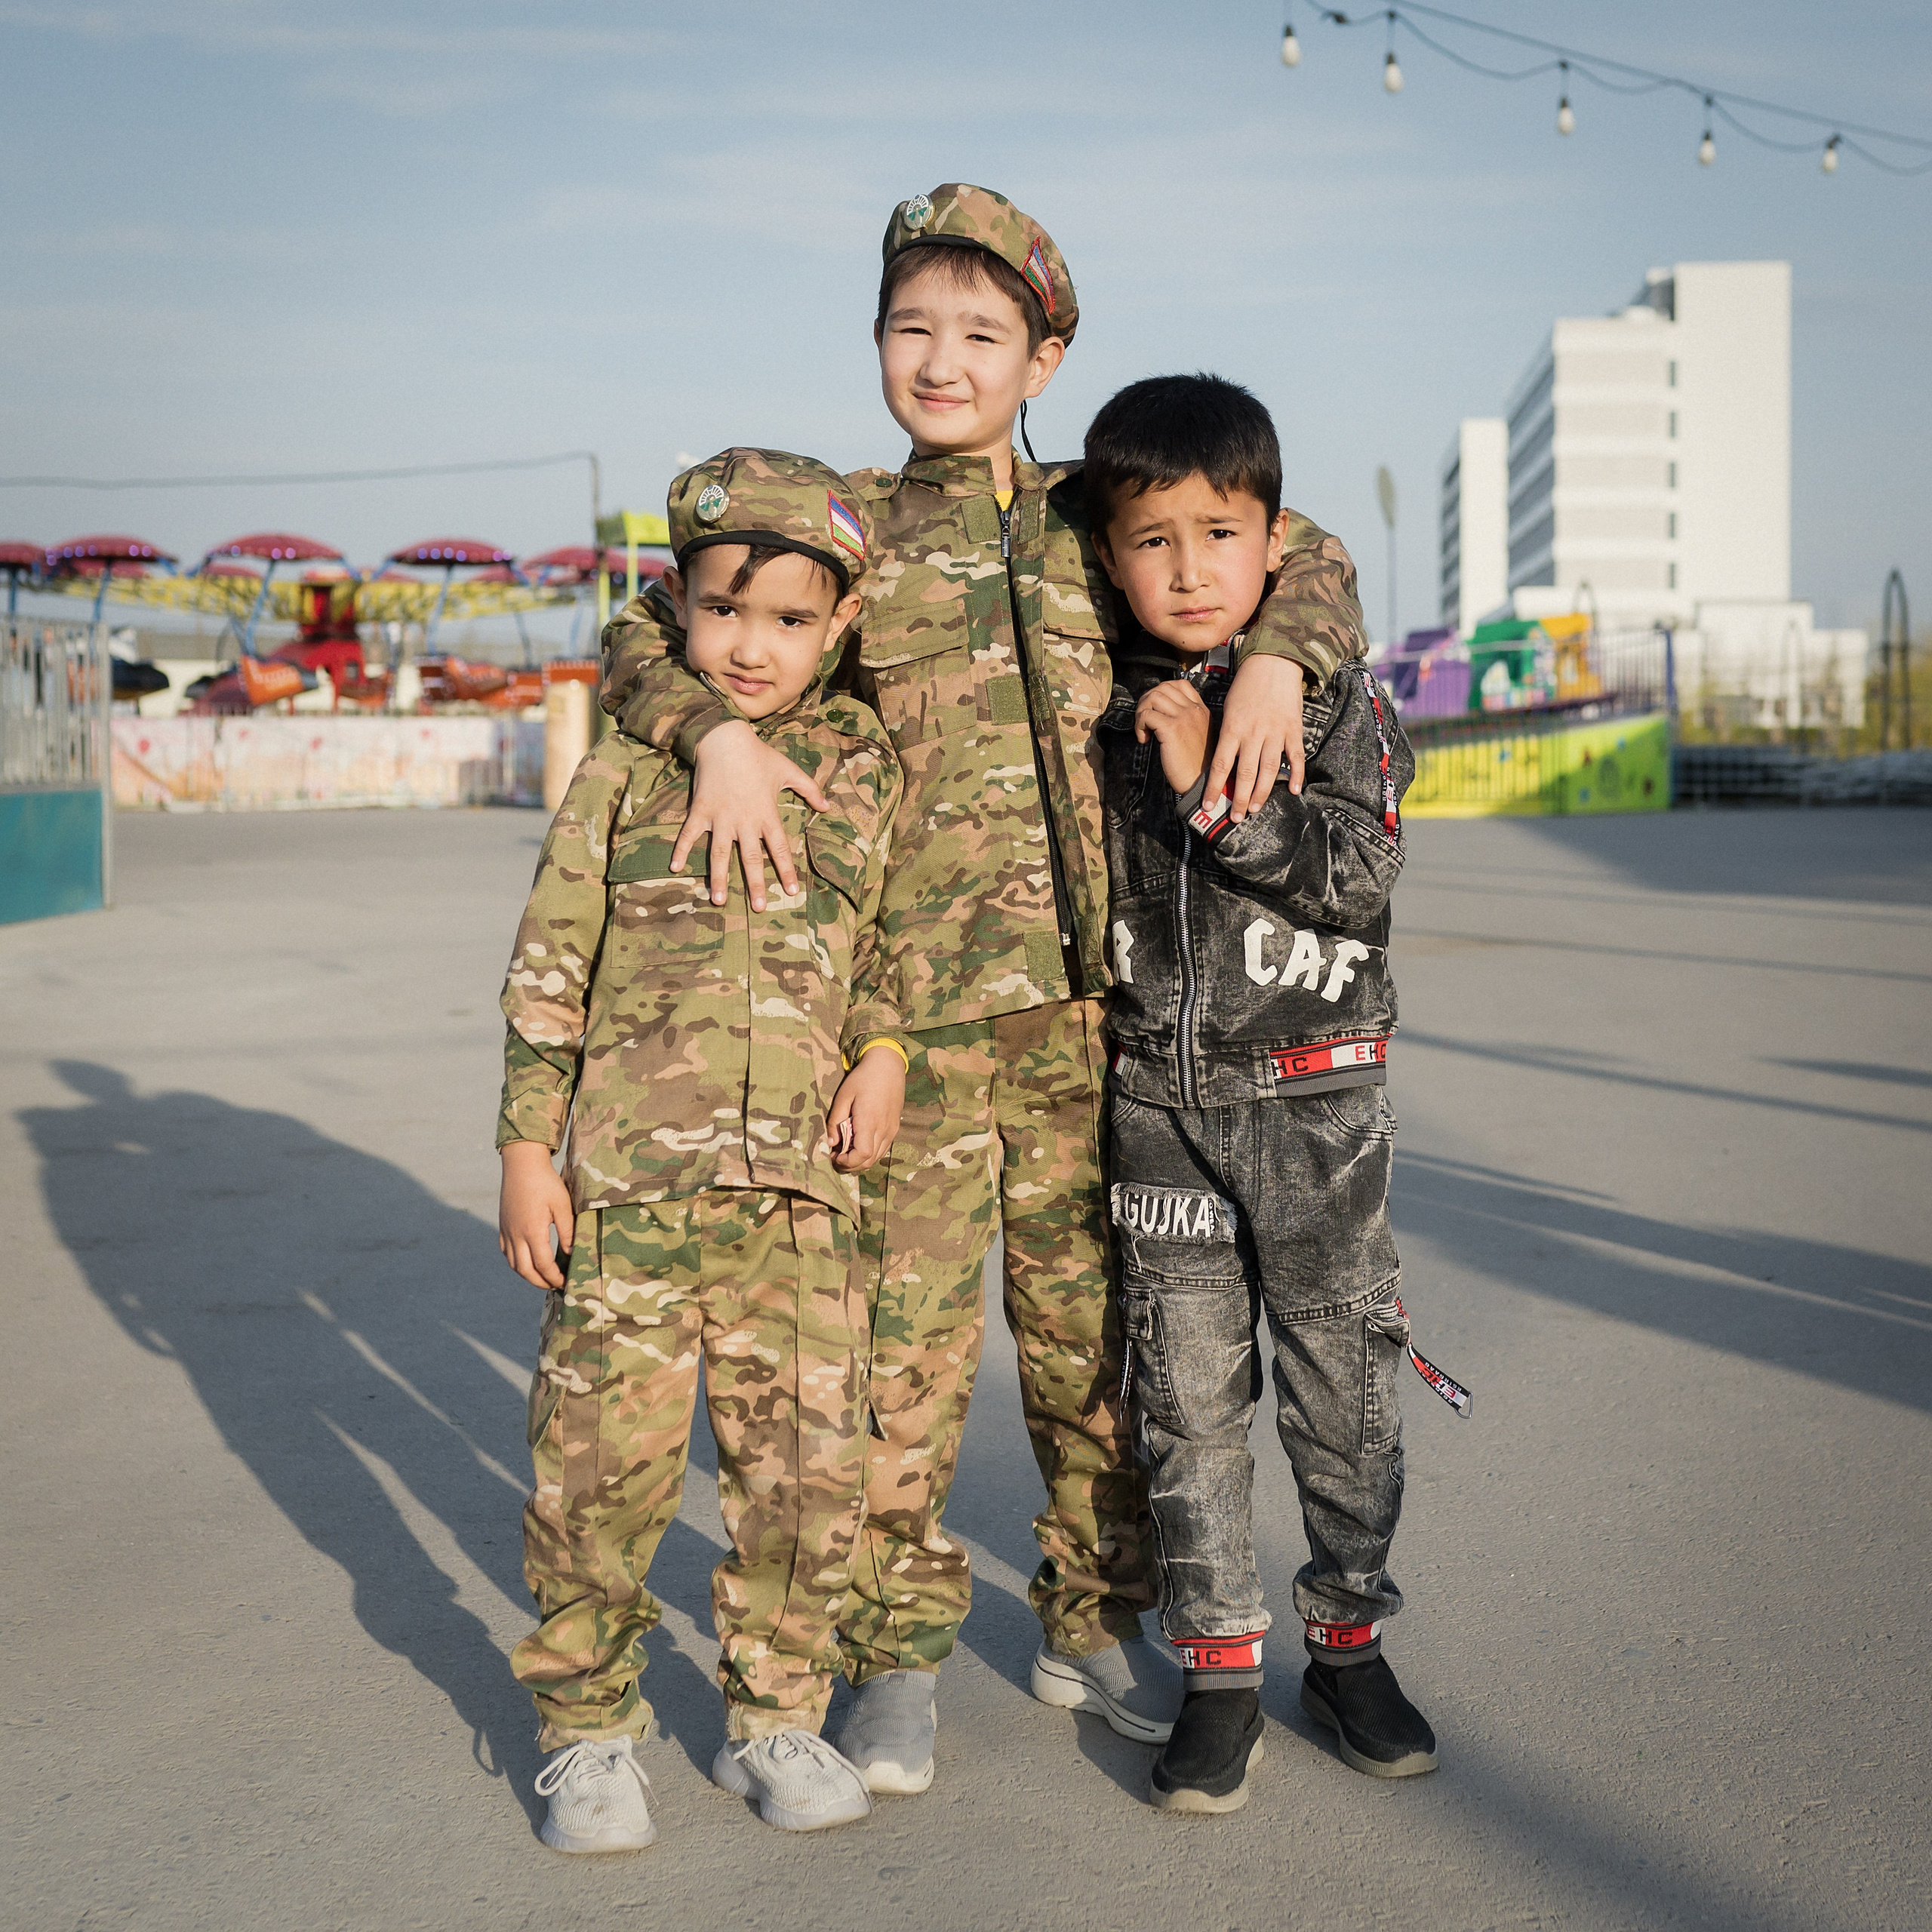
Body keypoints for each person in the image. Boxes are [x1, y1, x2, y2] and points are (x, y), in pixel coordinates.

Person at [596, 186, 1371, 1795]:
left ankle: (1095, 1612)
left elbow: (1300, 546)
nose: (939, 360)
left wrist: (1283, 659)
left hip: (1111, 1014)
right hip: (913, 1022)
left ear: (1046, 353)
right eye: (909, 328)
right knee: (906, 1351)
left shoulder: (1112, 510)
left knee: (1105, 1344)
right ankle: (891, 1647)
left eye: (979, 332)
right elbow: (644, 623)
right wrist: (716, 730)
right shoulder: (856, 526)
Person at [495, 449, 909, 1851]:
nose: (751, 646)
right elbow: (550, 975)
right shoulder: (624, 770)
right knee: (599, 1473)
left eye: (790, 621)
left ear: (838, 628)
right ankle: (587, 1731)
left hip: (799, 1202)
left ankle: (777, 1715)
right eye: (725, 609)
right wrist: (525, 1153)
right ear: (676, 605)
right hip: (629, 1197)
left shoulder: (860, 779)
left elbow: (885, 955)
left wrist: (891, 1053)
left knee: (802, 1476)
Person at [1085, 372, 1468, 1814]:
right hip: (1157, 1112)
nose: (1188, 568)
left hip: (1315, 1113)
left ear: (1273, 538)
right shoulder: (1103, 705)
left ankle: (1349, 1642)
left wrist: (1223, 789)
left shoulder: (1334, 698)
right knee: (1184, 1398)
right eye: (1152, 539)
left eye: (1219, 532)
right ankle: (1221, 1670)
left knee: (1343, 1391)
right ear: (1111, 554)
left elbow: (1362, 882)